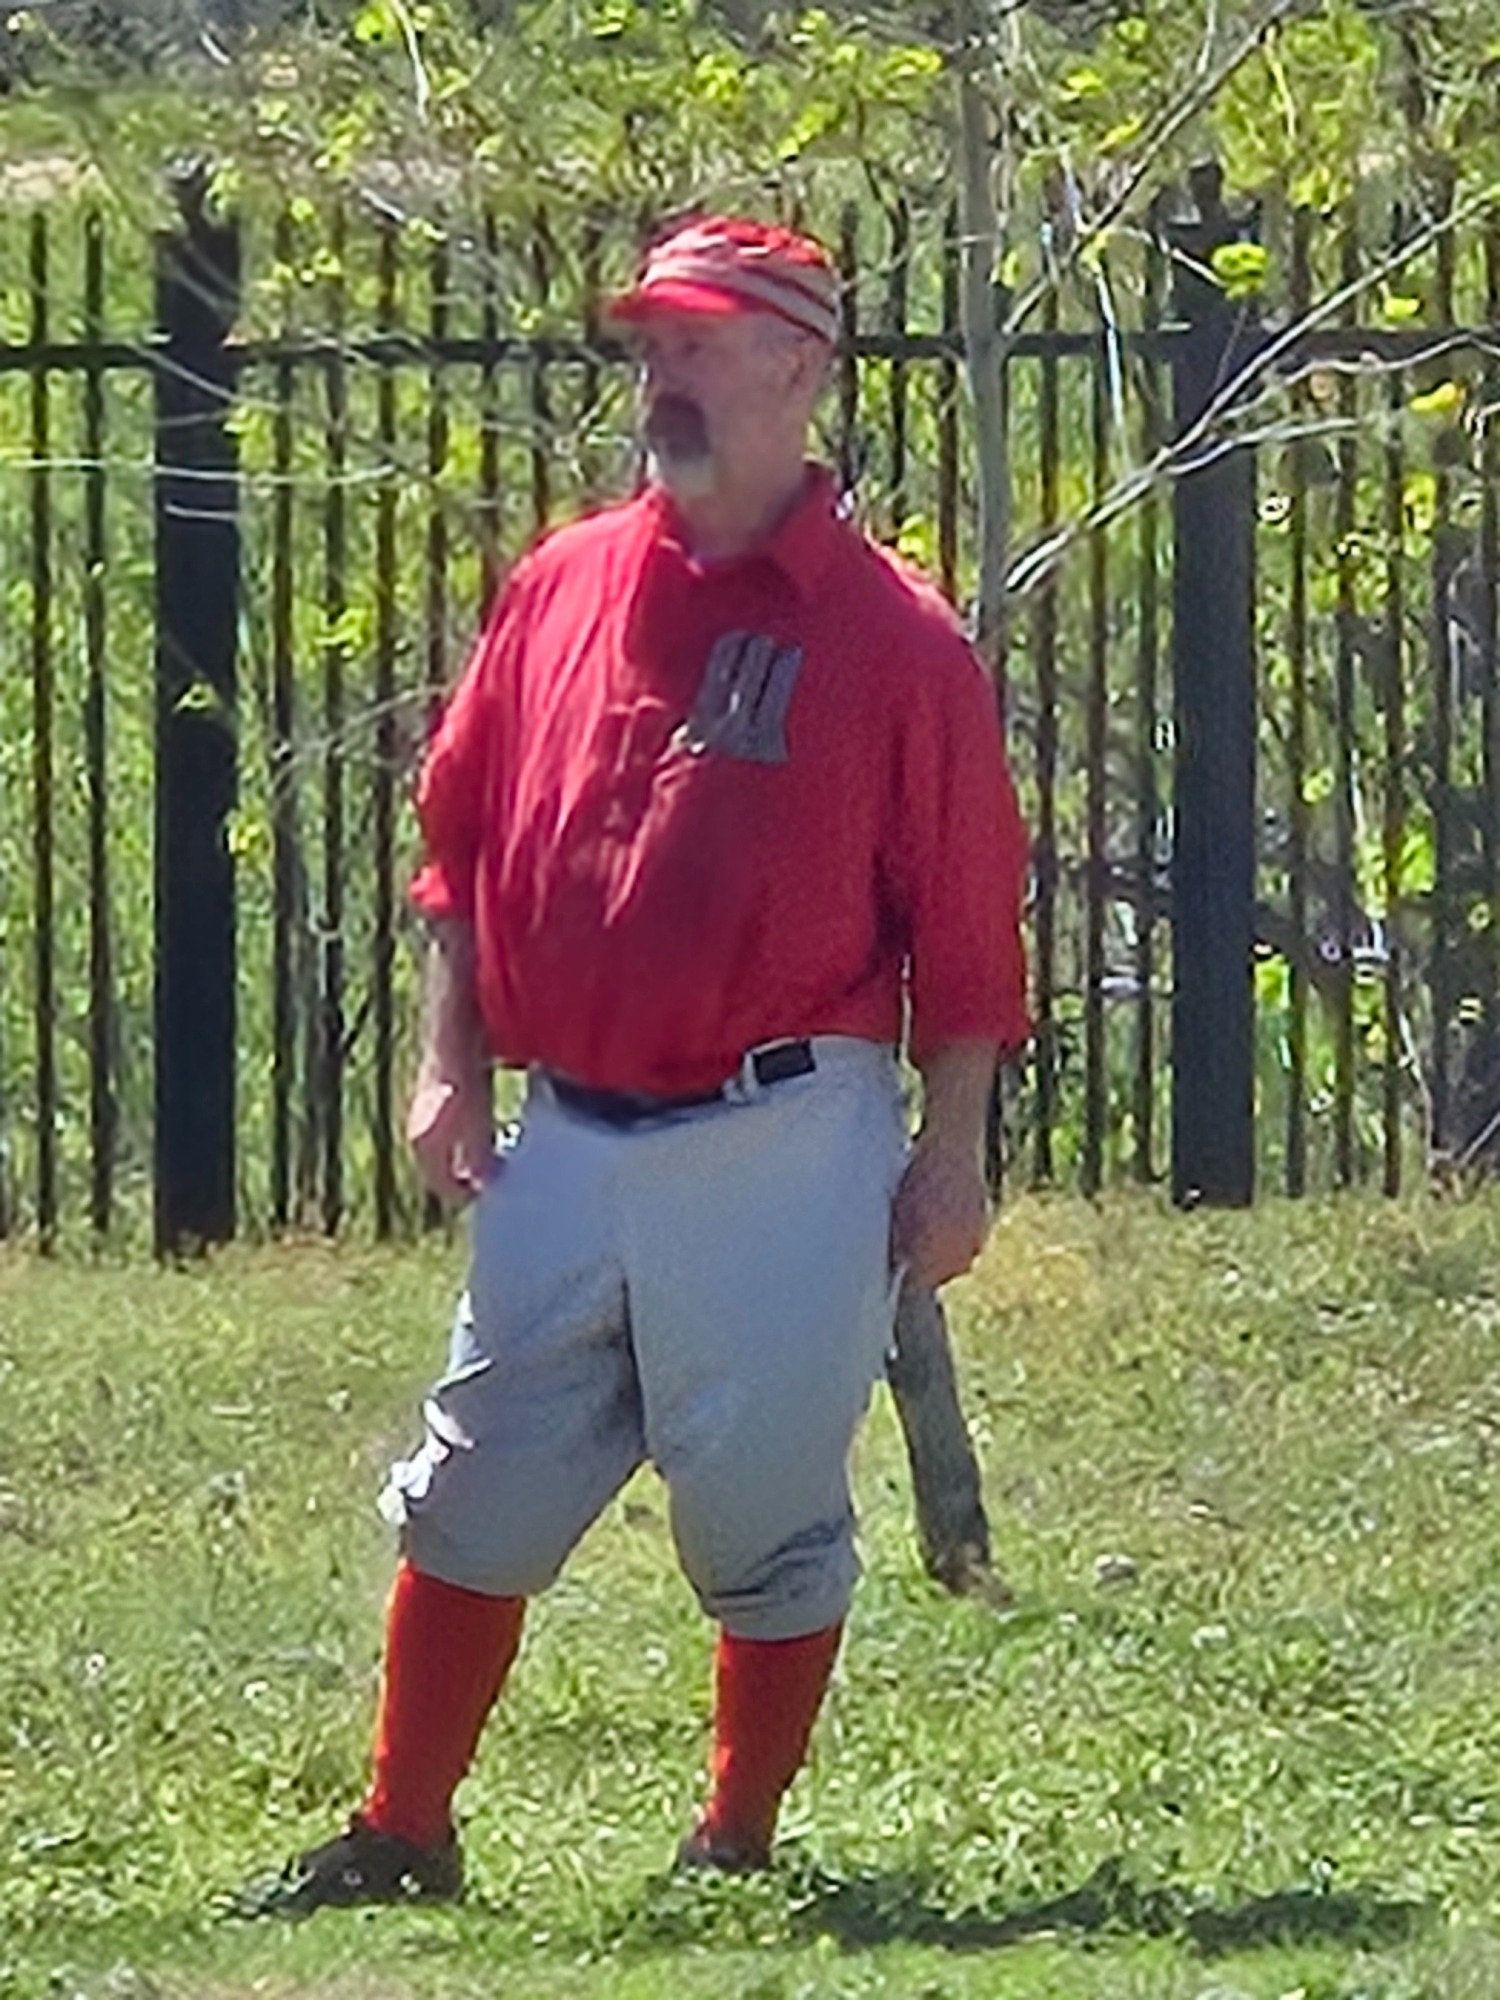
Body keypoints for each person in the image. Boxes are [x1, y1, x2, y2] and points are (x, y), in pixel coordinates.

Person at [257, 214, 1030, 1912]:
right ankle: (403, 1832)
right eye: (652, 344)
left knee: (761, 1511)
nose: (661, 375)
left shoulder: (896, 643)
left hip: (782, 1135)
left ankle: (735, 1843)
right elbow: (464, 840)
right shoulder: (566, 583)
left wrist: (953, 1150)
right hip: (569, 1132)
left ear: (799, 367)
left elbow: (970, 924)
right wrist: (449, 1060)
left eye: (699, 343)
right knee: (473, 1485)